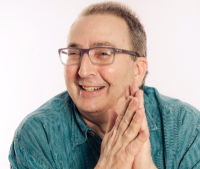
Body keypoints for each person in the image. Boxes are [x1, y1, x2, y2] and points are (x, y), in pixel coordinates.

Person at [9, 2, 200, 169]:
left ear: (138, 69)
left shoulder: (186, 127)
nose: (83, 71)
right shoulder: (37, 136)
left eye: (103, 53)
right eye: (74, 53)